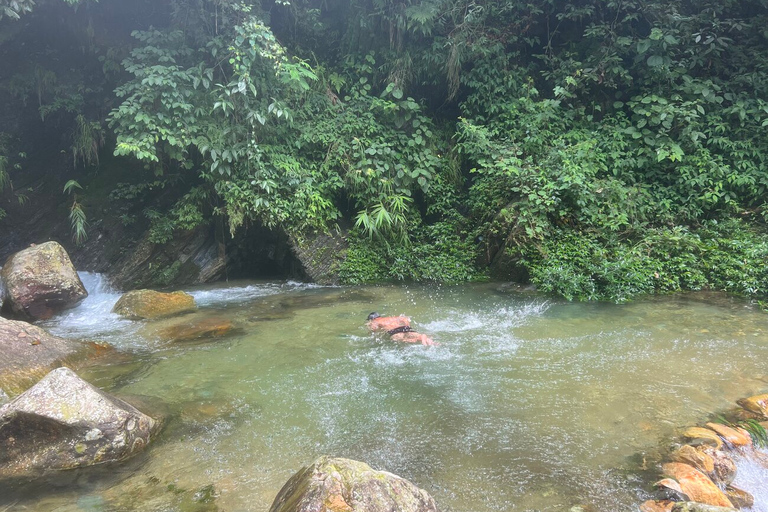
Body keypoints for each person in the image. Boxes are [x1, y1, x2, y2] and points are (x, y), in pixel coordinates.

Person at [366, 312, 438, 346]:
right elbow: (404, 319)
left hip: (394, 332)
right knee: (414, 336)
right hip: (405, 328)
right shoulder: (392, 317)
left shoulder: (375, 321)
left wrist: (372, 335)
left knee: (403, 341)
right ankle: (424, 338)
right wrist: (407, 327)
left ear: (372, 319)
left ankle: (419, 339)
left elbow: (373, 330)